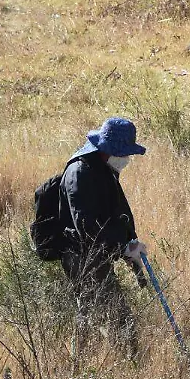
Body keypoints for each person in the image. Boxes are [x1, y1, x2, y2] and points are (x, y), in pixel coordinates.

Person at [60, 117, 149, 356]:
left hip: (97, 254)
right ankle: (130, 363)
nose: (127, 160)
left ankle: (79, 365)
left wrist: (130, 243)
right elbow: (86, 226)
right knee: (120, 320)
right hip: (81, 257)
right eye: (125, 154)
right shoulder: (80, 173)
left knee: (87, 315)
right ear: (109, 150)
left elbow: (117, 212)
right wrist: (122, 248)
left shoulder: (103, 168)